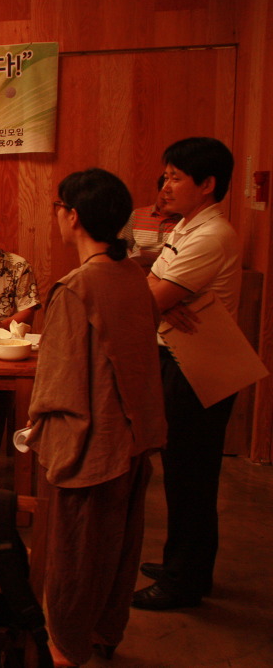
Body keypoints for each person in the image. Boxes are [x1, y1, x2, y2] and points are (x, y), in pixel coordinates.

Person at [26, 169, 166, 666]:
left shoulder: (76, 286)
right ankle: (104, 634)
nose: (57, 217)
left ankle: (66, 649)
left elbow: (58, 383)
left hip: (90, 446)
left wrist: (36, 435)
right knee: (118, 548)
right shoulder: (133, 276)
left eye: (58, 207)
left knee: (75, 557)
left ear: (74, 216)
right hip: (131, 439)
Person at [133, 137, 242, 612]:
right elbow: (150, 285)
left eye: (176, 177)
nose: (165, 186)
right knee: (180, 472)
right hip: (178, 357)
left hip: (198, 365)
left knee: (191, 477)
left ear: (208, 183)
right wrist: (159, 298)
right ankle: (184, 564)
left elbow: (150, 298)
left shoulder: (210, 235)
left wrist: (159, 300)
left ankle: (185, 581)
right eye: (166, 176)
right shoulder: (185, 228)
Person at [119, 174, 183, 271]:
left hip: (167, 272)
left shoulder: (183, 220)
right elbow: (123, 244)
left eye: (172, 197)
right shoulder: (137, 215)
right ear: (159, 190)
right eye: (164, 194)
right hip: (137, 270)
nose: (167, 199)